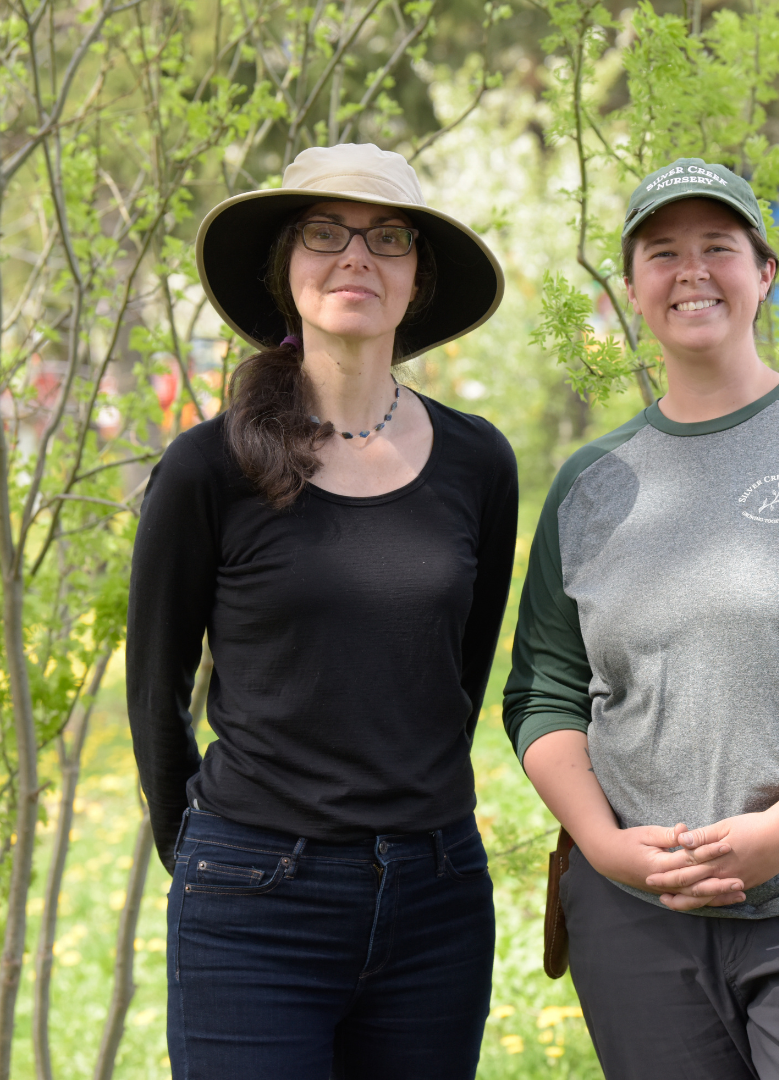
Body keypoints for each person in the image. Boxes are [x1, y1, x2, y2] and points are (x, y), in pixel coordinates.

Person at [504, 157, 779, 1080]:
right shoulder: (590, 485)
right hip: (642, 924)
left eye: (720, 246)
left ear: (765, 274)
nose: (692, 271)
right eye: (663, 252)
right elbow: (544, 692)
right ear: (632, 288)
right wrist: (602, 846)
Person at [127, 143, 517, 1080]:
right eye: (323, 234)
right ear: (284, 270)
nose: (357, 258)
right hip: (255, 900)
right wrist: (207, 856)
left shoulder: (479, 463)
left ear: (418, 279)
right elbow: (156, 688)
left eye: (388, 238)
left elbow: (458, 674)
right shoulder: (207, 468)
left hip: (437, 898)